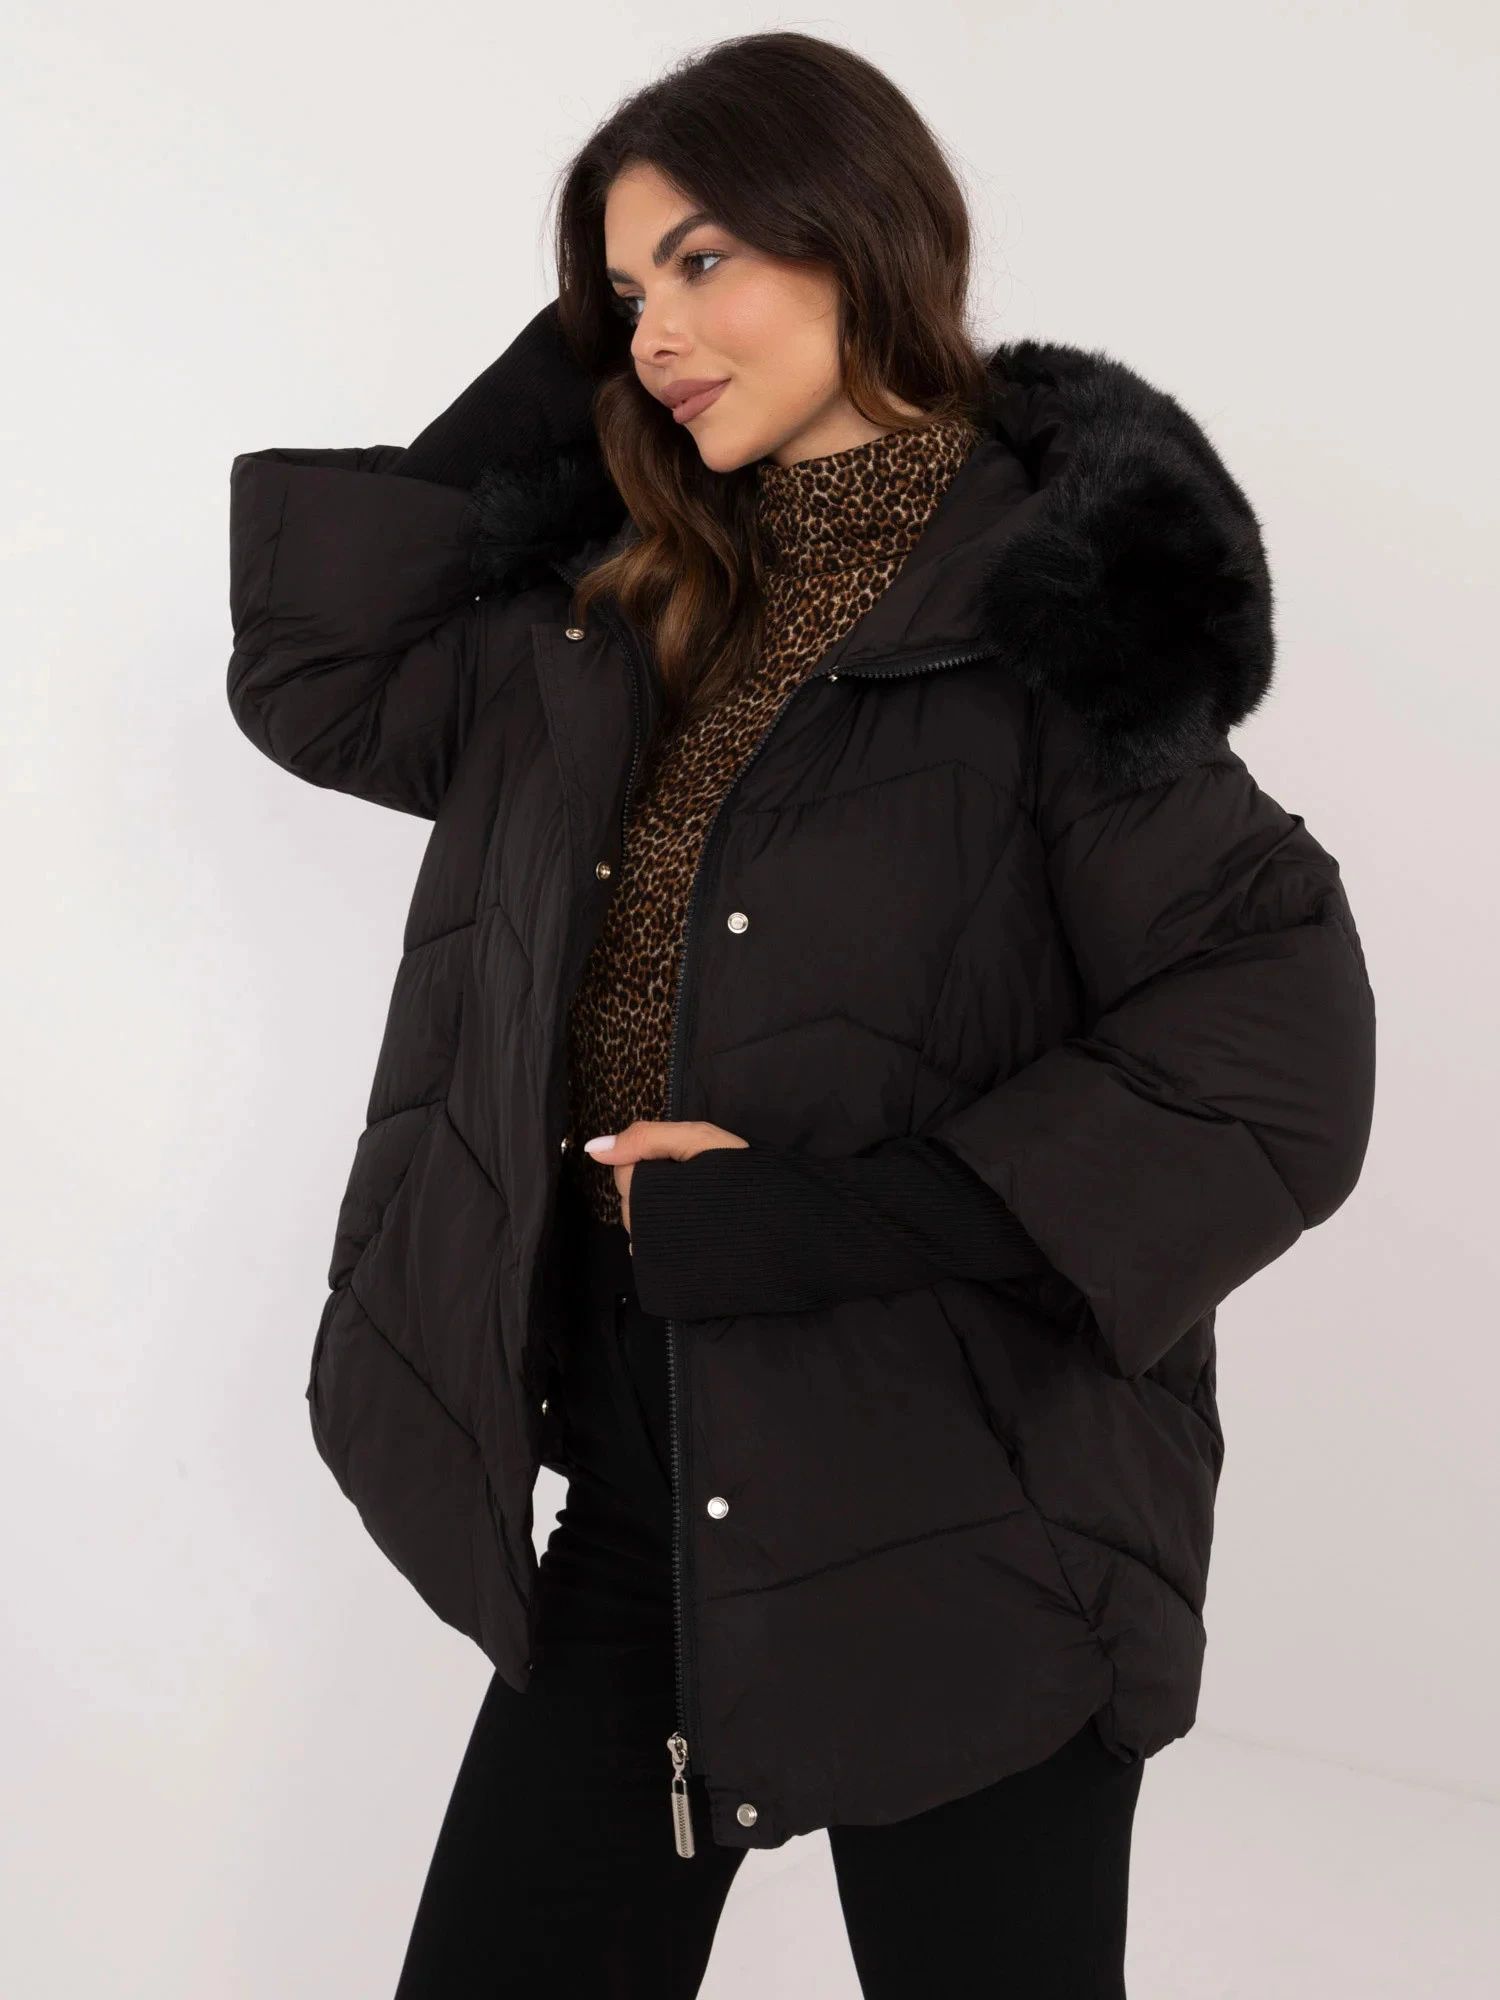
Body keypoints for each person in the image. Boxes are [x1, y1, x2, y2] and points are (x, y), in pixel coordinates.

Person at [225, 29, 1376, 1999]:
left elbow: (1279, 1053)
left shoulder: (1061, 618)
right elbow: (318, 669)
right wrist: (591, 360)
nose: (657, 330)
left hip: (973, 1516)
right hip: (650, 1490)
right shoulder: (618, 614)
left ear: (863, 241)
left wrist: (823, 1218)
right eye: (622, 290)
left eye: (704, 262)